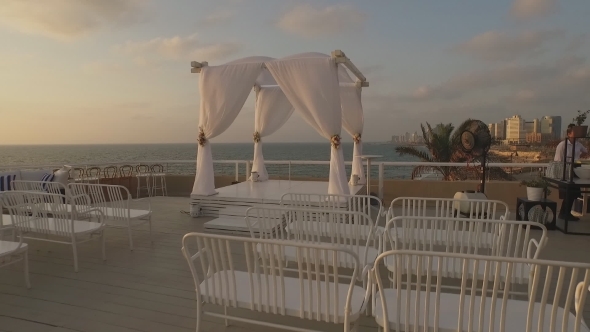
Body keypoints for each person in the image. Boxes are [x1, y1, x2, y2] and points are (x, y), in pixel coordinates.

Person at [554, 124, 589, 221]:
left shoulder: (578, 144)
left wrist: (580, 155)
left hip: (576, 170)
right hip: (565, 170)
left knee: (574, 194)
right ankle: (563, 214)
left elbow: (585, 151)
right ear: (569, 134)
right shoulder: (562, 145)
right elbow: (558, 160)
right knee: (567, 193)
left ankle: (566, 213)